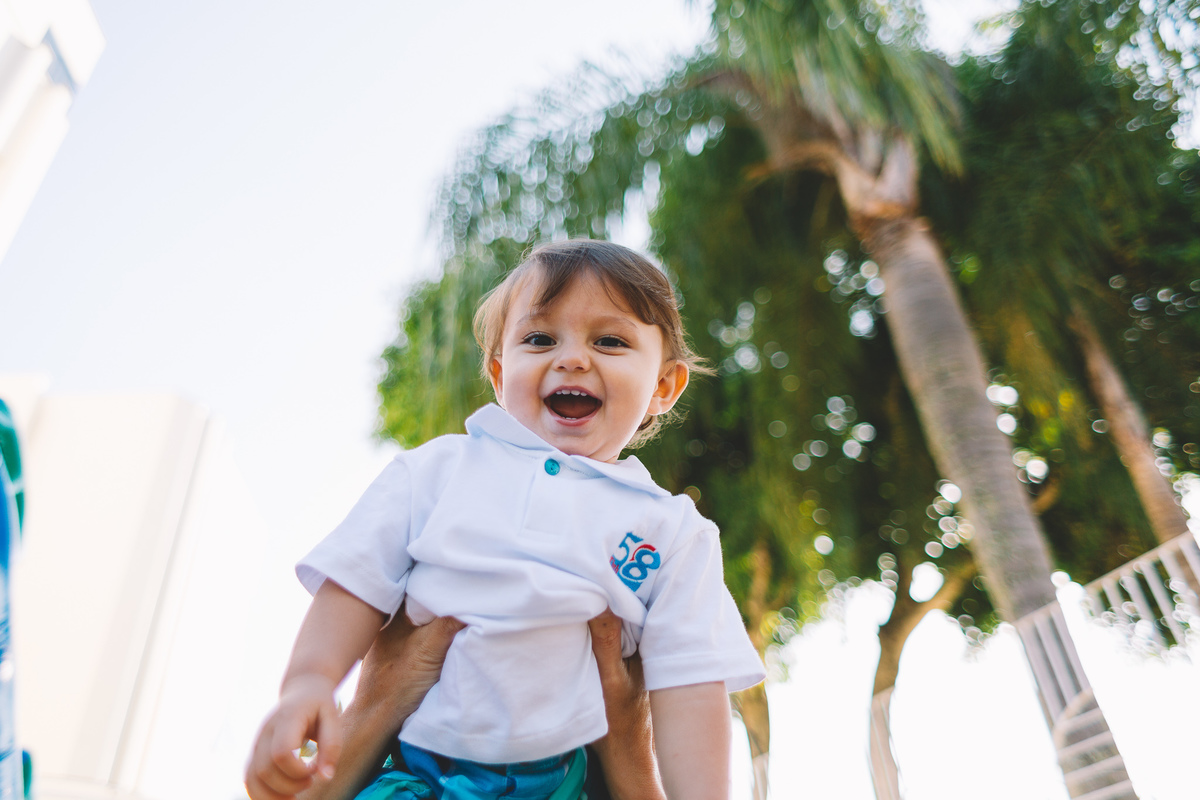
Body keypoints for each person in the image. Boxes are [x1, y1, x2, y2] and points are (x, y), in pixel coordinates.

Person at [246, 239, 765, 800]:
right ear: (499, 372)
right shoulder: (438, 470)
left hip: (566, 782)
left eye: (610, 341)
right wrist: (309, 684)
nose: (572, 358)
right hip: (415, 772)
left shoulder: (673, 530)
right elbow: (355, 583)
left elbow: (689, 680)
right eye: (539, 339)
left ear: (664, 387)